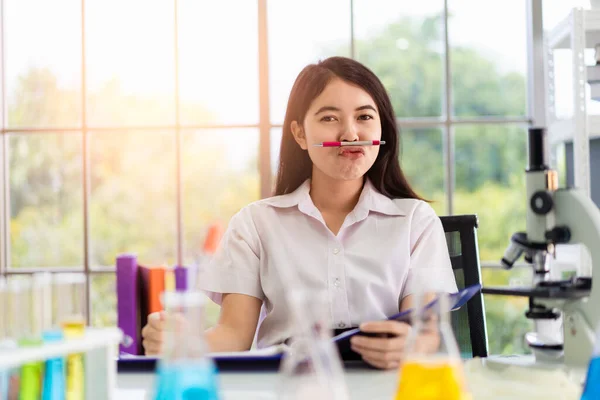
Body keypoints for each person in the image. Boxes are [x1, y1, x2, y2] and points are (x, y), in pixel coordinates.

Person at [142, 56, 457, 370]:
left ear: (382, 129)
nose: (350, 134)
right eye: (330, 118)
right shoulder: (255, 224)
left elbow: (426, 332)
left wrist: (412, 344)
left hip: (388, 383)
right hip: (290, 383)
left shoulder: (416, 221)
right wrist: (183, 344)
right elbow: (233, 336)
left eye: (364, 117)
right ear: (300, 134)